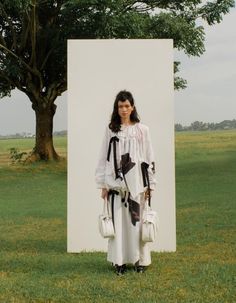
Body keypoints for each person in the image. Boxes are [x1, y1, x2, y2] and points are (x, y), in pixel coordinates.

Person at [95, 90, 157, 276]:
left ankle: (140, 261)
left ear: (132, 107)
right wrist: (103, 184)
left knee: (136, 224)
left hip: (137, 185)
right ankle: (119, 262)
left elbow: (149, 156)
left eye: (127, 106)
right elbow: (103, 157)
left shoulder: (142, 130)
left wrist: (150, 184)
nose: (124, 109)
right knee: (119, 227)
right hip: (116, 186)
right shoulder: (111, 129)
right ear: (117, 108)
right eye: (120, 106)